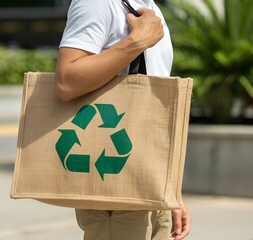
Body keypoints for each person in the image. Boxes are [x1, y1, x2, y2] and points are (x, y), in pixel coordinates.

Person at [55, 0, 191, 239]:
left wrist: (172, 191)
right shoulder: (97, 3)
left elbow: (157, 107)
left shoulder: (151, 7)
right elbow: (67, 81)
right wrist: (137, 42)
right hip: (115, 178)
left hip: (151, 176)